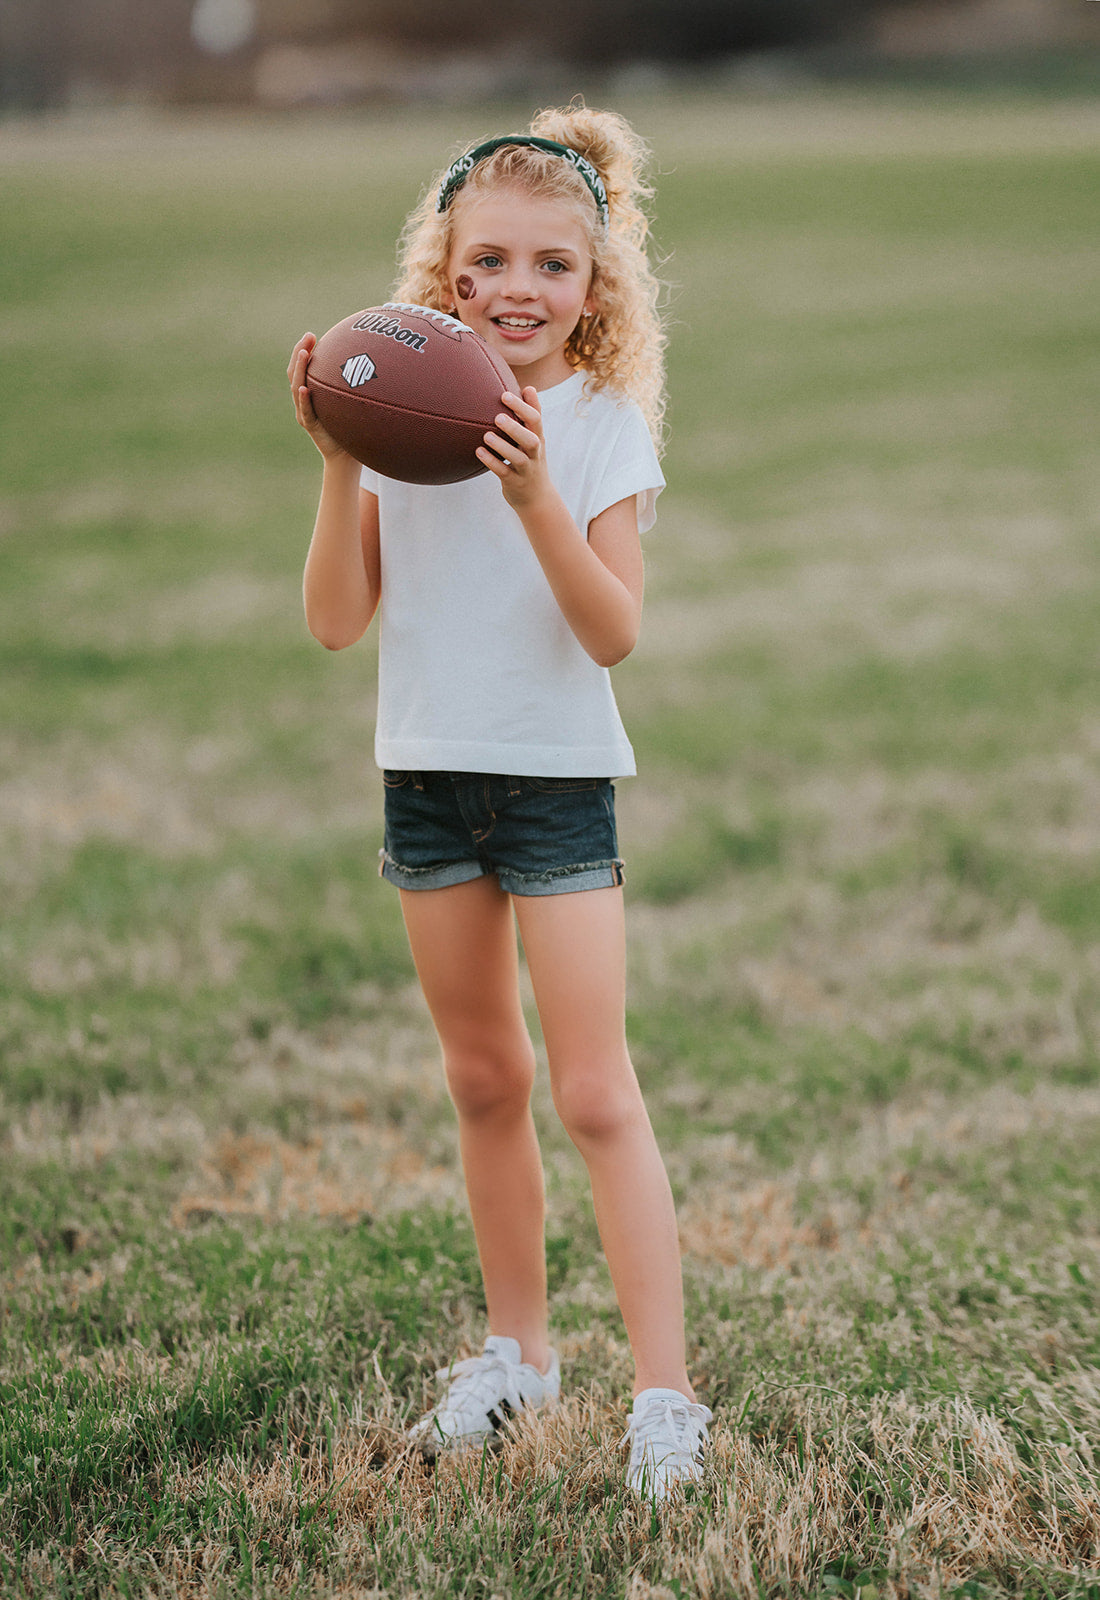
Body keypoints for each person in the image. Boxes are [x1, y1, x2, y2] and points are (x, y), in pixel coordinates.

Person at [287, 102, 711, 1502]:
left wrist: (532, 494)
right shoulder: (401, 424)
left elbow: (612, 635)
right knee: (483, 1079)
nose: (515, 290)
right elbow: (337, 623)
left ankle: (664, 1399)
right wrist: (341, 457)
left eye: (551, 266)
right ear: (444, 275)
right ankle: (517, 1356)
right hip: (426, 779)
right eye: (487, 264)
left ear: (598, 290)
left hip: (554, 791)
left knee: (594, 1089)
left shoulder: (594, 429)